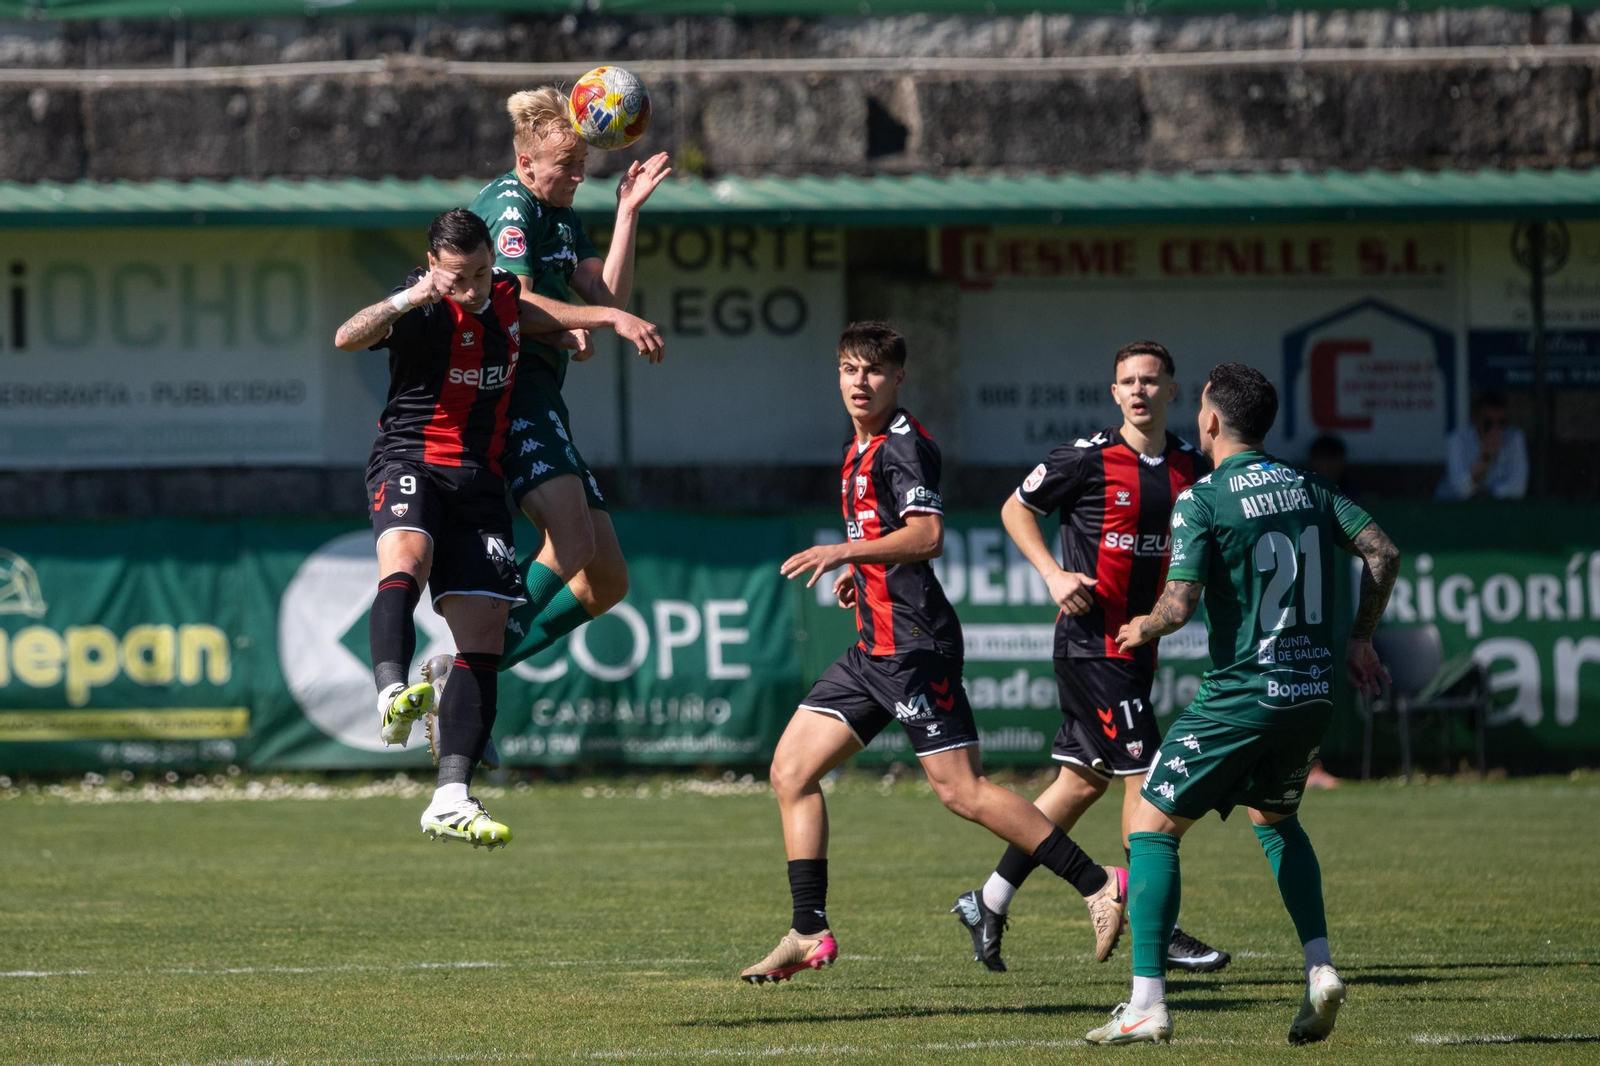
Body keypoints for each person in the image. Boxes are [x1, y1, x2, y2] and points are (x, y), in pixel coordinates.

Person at [739, 322, 1128, 985]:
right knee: (790, 772)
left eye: (872, 371)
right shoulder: (856, 448)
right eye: (847, 369)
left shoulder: (903, 449)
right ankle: (809, 930)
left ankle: (1098, 884)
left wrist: (844, 550)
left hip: (917, 648)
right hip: (873, 648)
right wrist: (855, 573)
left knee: (963, 792)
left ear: (897, 379)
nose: (858, 382)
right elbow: (884, 538)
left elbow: (926, 536)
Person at [1085, 363, 1400, 1046]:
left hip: (1242, 694)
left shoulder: (1203, 498)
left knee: (1149, 824)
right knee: (1277, 818)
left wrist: (1143, 626)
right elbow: (1382, 551)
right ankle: (1318, 968)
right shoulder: (1312, 486)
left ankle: (1146, 1002)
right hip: (1312, 694)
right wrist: (1361, 641)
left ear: (1209, 421)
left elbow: (1181, 602)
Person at [950, 342, 1229, 976]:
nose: (1139, 390)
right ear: (1114, 393)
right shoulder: (1087, 458)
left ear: (1172, 391)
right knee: (1149, 780)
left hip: (1139, 648)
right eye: (1127, 381)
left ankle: (987, 900)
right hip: (1090, 645)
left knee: (1078, 784)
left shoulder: (1192, 466)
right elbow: (1015, 509)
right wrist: (1051, 573)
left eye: (1151, 381)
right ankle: (1158, 927)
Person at [334, 209, 579, 848]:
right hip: (411, 459)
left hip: (480, 481)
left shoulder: (504, 296)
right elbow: (346, 337)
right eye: (455, 277)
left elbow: (541, 316)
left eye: (479, 272)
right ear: (435, 267)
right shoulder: (420, 305)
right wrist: (411, 295)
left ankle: (450, 798)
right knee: (406, 562)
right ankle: (392, 690)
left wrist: (600, 322)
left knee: (484, 637)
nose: (469, 289)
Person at [463, 87, 671, 685]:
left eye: (583, 164)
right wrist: (592, 323)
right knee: (572, 543)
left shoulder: (559, 213)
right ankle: (471, 669)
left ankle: (473, 669)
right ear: (526, 163)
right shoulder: (510, 206)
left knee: (607, 579)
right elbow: (516, 305)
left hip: (542, 394)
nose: (580, 175)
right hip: (507, 390)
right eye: (567, 166)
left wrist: (627, 212)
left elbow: (606, 298)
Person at [1437, 391, 1527, 500]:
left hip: (1498, 508)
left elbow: (1518, 489)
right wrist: (1486, 457)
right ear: (1474, 419)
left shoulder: (1514, 438)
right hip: (1452, 509)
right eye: (1488, 423)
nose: (1495, 429)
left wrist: (1489, 495)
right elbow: (1461, 490)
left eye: (1502, 423)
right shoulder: (1457, 439)